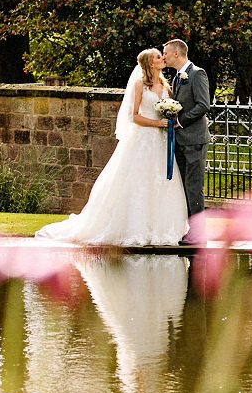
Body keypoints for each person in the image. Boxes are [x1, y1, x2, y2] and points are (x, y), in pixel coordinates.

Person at [35, 48, 188, 247]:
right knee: (138, 181)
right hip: (143, 139)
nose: (163, 58)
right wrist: (156, 124)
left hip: (161, 142)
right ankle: (133, 227)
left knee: (161, 181)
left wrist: (170, 119)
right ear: (151, 63)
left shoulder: (166, 86)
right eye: (158, 57)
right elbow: (134, 116)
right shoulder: (140, 85)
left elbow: (170, 111)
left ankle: (162, 228)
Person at [162, 39, 210, 237]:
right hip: (181, 141)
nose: (163, 57)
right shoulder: (176, 78)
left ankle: (198, 233)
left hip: (195, 140)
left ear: (176, 53)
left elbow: (203, 105)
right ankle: (189, 230)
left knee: (194, 187)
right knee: (184, 188)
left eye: (165, 53)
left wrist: (179, 121)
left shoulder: (197, 73)